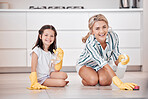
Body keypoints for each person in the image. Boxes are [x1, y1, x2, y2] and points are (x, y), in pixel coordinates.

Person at [76, 14, 137, 90]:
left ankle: (98, 76)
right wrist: (118, 82)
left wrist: (122, 61)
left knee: (105, 82)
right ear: (92, 31)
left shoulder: (113, 36)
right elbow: (102, 62)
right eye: (97, 28)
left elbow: (116, 59)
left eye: (104, 27)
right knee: (93, 81)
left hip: (101, 66)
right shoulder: (90, 42)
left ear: (108, 27)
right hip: (86, 65)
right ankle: (88, 79)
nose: (101, 31)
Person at [28, 25, 69, 90]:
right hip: (41, 78)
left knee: (64, 75)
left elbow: (56, 70)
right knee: (62, 83)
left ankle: (52, 81)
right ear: (40, 36)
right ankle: (45, 82)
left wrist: (59, 59)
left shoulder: (52, 53)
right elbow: (33, 68)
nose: (49, 38)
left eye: (51, 36)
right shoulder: (36, 51)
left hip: (49, 74)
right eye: (46, 35)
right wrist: (34, 82)